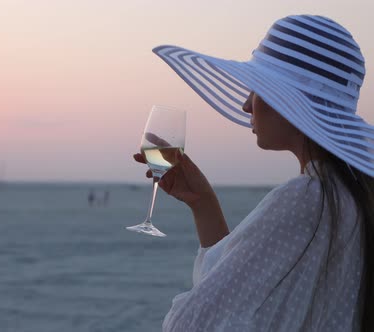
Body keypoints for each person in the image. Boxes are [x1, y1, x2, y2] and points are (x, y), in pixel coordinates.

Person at [134, 15, 374, 331]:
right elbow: (228, 283)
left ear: (289, 100)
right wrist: (203, 203)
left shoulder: (306, 200)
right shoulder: (351, 197)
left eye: (257, 88)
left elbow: (192, 323)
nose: (247, 104)